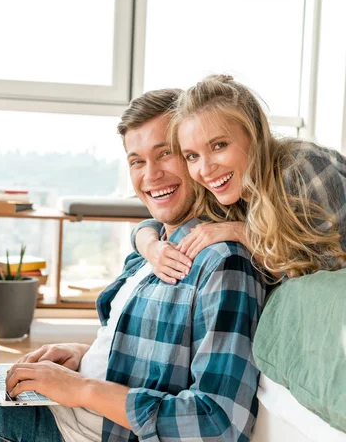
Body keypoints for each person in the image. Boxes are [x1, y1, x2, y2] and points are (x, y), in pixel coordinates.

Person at [0, 88, 266, 442]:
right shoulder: (156, 247)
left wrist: (79, 389)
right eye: (136, 160)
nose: (150, 175)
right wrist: (82, 356)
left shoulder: (224, 265)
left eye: (167, 154)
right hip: (61, 422)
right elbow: (156, 354)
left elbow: (218, 421)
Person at [133, 74, 346, 284]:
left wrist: (241, 233)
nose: (206, 170)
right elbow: (159, 224)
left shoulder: (303, 168)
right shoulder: (224, 192)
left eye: (219, 146)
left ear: (254, 135)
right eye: (192, 156)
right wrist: (152, 247)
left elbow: (328, 281)